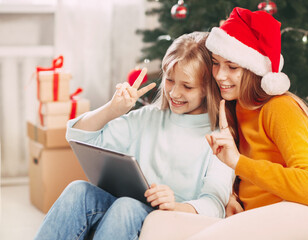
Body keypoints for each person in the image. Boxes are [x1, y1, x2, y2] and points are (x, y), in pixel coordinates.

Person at [139, 7, 308, 240]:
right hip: (262, 214)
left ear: (254, 69)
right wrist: (232, 196)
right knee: (157, 222)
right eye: (216, 63)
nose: (220, 75)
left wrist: (238, 162)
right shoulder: (234, 106)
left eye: (232, 67)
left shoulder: (280, 108)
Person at [33, 31, 233, 240]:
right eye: (170, 81)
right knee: (78, 191)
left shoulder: (219, 137)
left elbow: (215, 205)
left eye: (187, 86)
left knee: (126, 206)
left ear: (208, 89)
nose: (174, 93)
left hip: (173, 220)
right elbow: (78, 136)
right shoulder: (148, 117)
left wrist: (175, 205)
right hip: (127, 209)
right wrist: (112, 110)